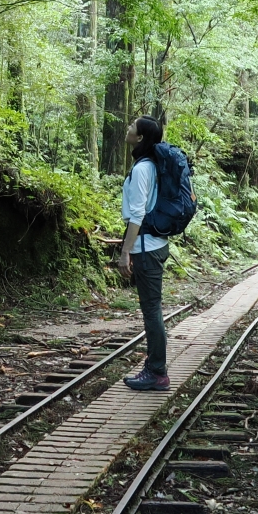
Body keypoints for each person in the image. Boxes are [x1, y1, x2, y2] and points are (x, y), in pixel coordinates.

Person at [117, 115, 170, 391]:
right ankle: (155, 368)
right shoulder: (150, 165)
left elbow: (137, 215)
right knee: (152, 309)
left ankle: (157, 372)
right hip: (154, 244)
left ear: (140, 137)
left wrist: (126, 252)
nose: (128, 128)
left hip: (147, 248)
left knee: (151, 311)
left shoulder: (142, 170)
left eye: (132, 127)